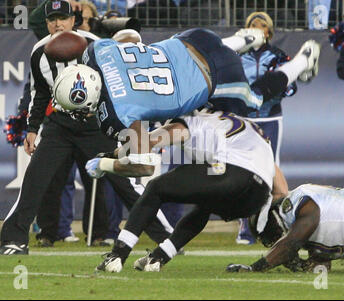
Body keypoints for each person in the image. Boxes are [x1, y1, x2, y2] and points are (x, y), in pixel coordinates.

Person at [0, 1, 172, 255]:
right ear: (46, 24)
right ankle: (13, 240)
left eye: (62, 18)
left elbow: (119, 85)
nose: (57, 24)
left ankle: (166, 237)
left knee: (125, 182)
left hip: (95, 125)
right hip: (59, 124)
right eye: (52, 20)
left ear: (74, 20)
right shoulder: (39, 52)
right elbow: (40, 95)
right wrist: (32, 128)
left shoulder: (97, 45)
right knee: (34, 180)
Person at [54, 27, 320, 161]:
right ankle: (244, 41)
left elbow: (144, 158)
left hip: (220, 78)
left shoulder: (115, 115)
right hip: (195, 38)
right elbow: (131, 37)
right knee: (190, 49)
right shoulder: (97, 51)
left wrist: (113, 161)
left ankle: (301, 61)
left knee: (256, 101)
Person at [92, 106, 289, 273]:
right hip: (258, 195)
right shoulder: (247, 129)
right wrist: (265, 211)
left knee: (156, 187)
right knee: (205, 206)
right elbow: (281, 188)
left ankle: (118, 254)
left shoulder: (194, 120)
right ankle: (158, 258)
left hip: (231, 173)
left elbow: (149, 142)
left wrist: (111, 155)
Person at [235, 12, 297, 245]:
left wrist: (273, 91)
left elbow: (291, 86)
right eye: (253, 25)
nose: (257, 28)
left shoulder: (278, 56)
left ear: (269, 31)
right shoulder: (237, 55)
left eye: (262, 26)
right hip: (244, 118)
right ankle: (244, 226)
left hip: (270, 119)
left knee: (270, 173)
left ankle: (270, 226)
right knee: (243, 172)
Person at [226, 184, 344, 273]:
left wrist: (254, 269)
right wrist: (298, 264)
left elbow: (290, 244)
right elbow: (319, 267)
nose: (273, 243)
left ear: (272, 222)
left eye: (270, 238)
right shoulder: (311, 221)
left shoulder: (300, 203)